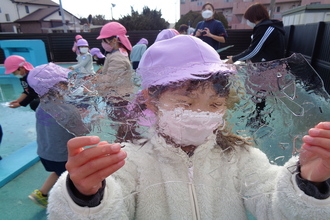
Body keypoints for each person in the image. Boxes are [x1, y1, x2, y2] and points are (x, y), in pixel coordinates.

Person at [47, 35, 330, 219]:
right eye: (186, 102)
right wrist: (85, 195)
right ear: (150, 99)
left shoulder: (240, 157)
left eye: (215, 104)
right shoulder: (128, 161)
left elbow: (275, 204)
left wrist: (307, 184)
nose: (202, 115)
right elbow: (113, 208)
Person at [26, 62, 87, 208]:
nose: (69, 85)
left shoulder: (41, 105)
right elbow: (83, 131)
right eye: (66, 83)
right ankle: (69, 203)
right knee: (72, 178)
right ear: (59, 86)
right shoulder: (67, 110)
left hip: (45, 153)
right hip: (62, 156)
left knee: (57, 172)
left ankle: (41, 193)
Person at [94, 21, 134, 142]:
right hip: (120, 95)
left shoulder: (117, 57)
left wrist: (96, 81)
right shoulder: (119, 53)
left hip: (118, 97)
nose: (102, 43)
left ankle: (124, 143)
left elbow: (112, 79)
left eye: (104, 40)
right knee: (123, 123)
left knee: (121, 124)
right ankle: (126, 140)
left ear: (115, 40)